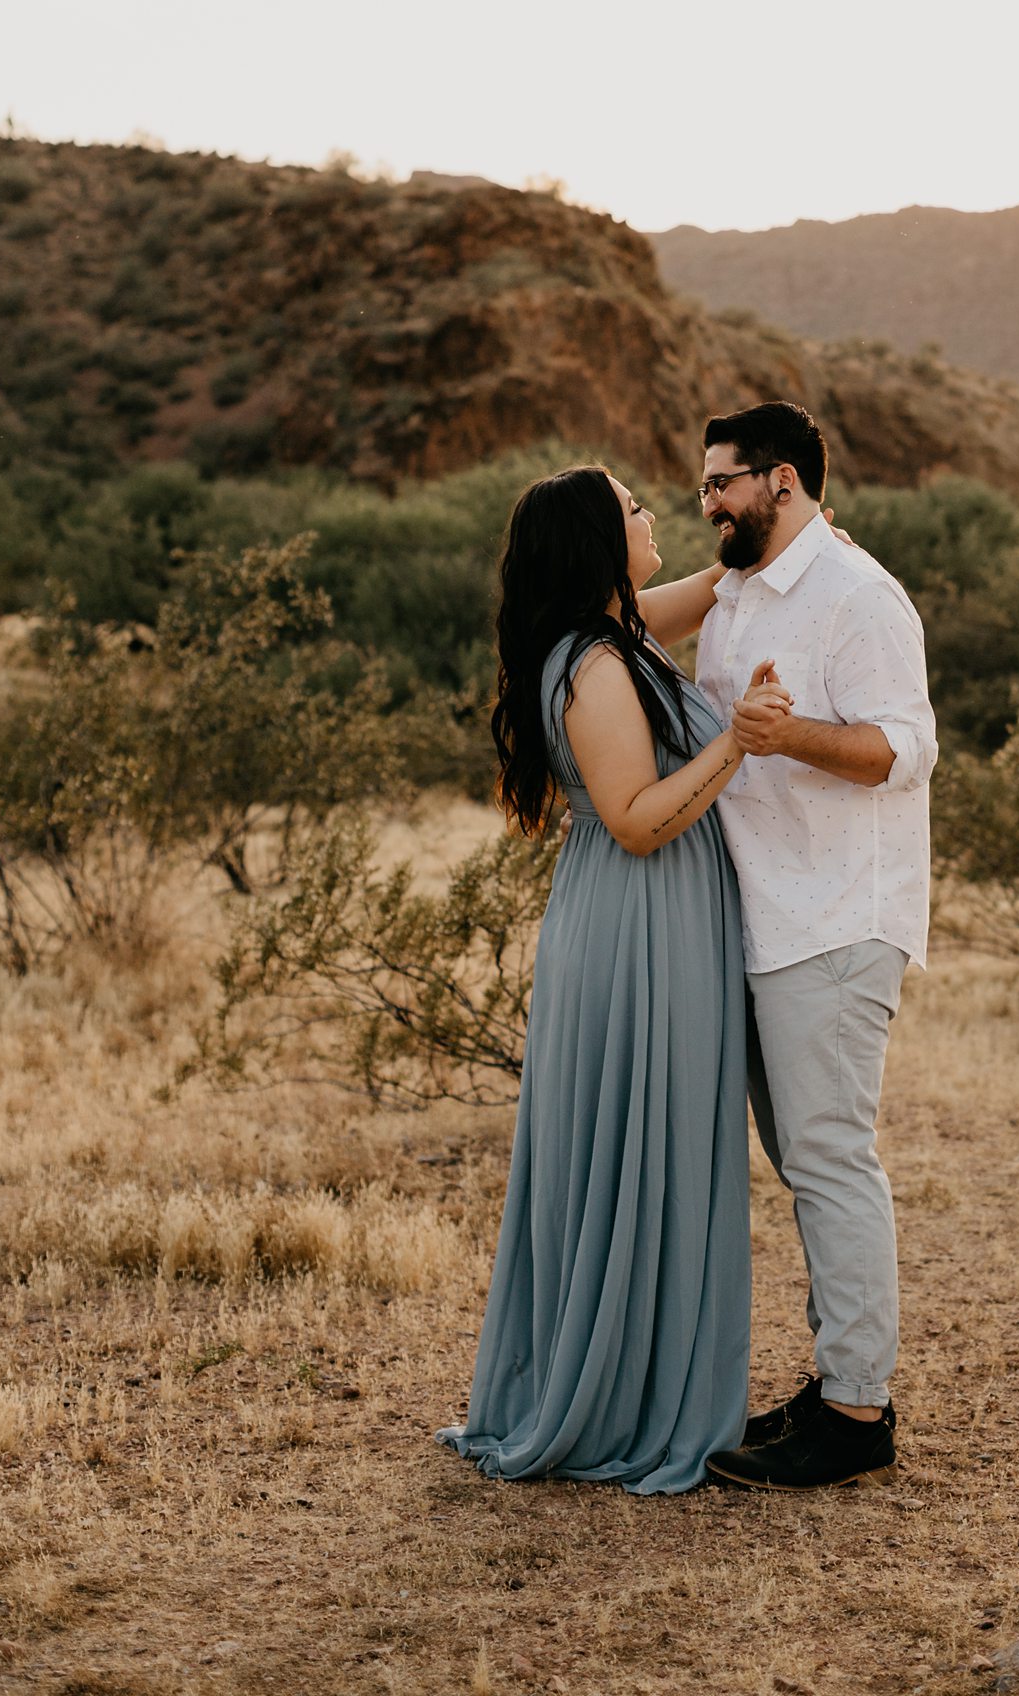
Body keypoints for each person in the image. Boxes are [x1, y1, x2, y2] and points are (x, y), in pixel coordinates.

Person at [434, 463, 783, 1495]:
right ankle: (615, 1402)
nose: (651, 514)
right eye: (632, 507)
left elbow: (718, 585)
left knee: (652, 1147)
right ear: (598, 538)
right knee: (643, 1143)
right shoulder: (590, 662)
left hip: (654, 920)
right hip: (637, 922)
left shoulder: (618, 632)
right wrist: (737, 742)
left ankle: (633, 1379)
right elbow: (634, 821)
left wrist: (784, 527)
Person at [692, 402, 938, 1492]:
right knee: (806, 1167)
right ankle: (835, 1379)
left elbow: (901, 750)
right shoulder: (741, 591)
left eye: (720, 483)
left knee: (832, 1162)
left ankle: (855, 1412)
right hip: (766, 916)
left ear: (780, 480)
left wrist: (785, 736)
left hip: (837, 917)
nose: (708, 502)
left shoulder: (856, 594)